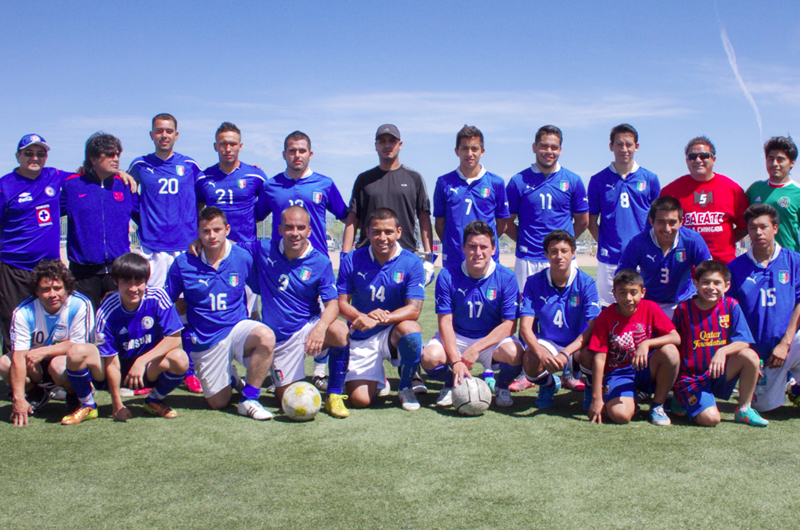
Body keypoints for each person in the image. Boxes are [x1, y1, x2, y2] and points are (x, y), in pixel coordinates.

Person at [255, 130, 348, 390]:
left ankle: (320, 371)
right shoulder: (271, 185)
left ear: (310, 154)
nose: (297, 155)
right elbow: (254, 217)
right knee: (283, 317)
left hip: (315, 266)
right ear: (284, 154)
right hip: (281, 264)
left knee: (323, 319)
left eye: (302, 150)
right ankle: (278, 365)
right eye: (292, 151)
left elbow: (346, 216)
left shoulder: (325, 183)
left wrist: (348, 251)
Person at [240, 205, 350, 417]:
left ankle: (334, 394)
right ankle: (269, 376)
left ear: (309, 231)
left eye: (301, 227)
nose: (295, 233)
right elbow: (229, 247)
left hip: (307, 327)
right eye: (289, 227)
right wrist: (199, 241)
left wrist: (320, 328)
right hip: (279, 340)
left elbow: (333, 304)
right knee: (286, 398)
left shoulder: (320, 261)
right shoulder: (262, 249)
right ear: (280, 229)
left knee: (339, 331)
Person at [165, 207, 275, 419]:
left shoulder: (242, 257)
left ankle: (249, 399)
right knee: (218, 402)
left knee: (266, 336)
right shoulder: (183, 263)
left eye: (217, 230)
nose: (212, 236)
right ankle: (232, 379)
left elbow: (261, 288)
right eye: (206, 231)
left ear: (227, 229)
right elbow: (166, 300)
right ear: (198, 232)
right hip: (207, 339)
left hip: (236, 329)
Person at [66, 253, 189, 422]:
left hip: (147, 368)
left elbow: (175, 338)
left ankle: (154, 400)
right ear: (116, 282)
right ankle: (88, 405)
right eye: (126, 282)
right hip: (115, 368)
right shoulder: (106, 310)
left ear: (146, 280)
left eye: (138, 281)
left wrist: (141, 362)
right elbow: (111, 361)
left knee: (180, 358)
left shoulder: (158, 297)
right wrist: (117, 405)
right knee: (76, 352)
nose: (133, 288)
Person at [420, 220, 523, 408]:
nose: (478, 252)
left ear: (493, 249)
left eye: (483, 246)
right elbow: (445, 322)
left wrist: (477, 348)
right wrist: (456, 360)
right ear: (463, 248)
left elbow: (509, 325)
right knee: (429, 357)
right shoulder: (447, 275)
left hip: (490, 339)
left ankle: (501, 386)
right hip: (458, 335)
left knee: (515, 353)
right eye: (472, 246)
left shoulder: (506, 277)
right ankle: (451, 383)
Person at [337, 208, 426, 411]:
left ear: (399, 232)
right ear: (367, 233)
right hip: (363, 333)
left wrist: (380, 319)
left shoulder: (411, 262)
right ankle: (378, 379)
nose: (382, 237)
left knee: (411, 330)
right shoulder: (351, 259)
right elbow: (341, 304)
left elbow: (414, 310)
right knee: (360, 401)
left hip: (392, 331)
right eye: (376, 231)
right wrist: (362, 317)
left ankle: (405, 387)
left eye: (388, 231)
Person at [671, 260, 768, 427]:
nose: (711, 287)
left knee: (750, 356)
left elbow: (744, 340)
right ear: (696, 284)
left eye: (717, 283)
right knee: (711, 419)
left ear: (727, 286)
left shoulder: (731, 305)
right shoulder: (683, 309)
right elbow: (674, 345)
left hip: (717, 372)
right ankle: (681, 398)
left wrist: (722, 352)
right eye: (706, 282)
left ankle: (744, 409)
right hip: (691, 378)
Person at [0, 260, 94, 426]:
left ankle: (75, 397)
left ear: (67, 287)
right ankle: (35, 394)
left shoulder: (80, 304)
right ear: (36, 291)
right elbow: (18, 357)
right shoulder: (23, 312)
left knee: (59, 365)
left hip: (65, 361)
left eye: (57, 288)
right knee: (4, 363)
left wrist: (43, 351)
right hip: (34, 364)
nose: (52, 294)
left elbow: (79, 346)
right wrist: (18, 398)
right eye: (45, 289)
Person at [728, 204, 800, 413]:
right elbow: (731, 313)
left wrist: (785, 343)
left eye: (763, 227)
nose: (757, 233)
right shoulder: (736, 267)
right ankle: (787, 386)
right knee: (764, 406)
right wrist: (747, 353)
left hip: (788, 344)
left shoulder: (794, 261)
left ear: (775, 228)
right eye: (752, 228)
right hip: (760, 355)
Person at [586, 269, 680, 426]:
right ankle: (633, 398)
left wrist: (647, 343)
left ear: (643, 292)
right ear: (614, 293)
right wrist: (597, 397)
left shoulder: (650, 308)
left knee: (670, 352)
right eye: (622, 292)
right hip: (619, 373)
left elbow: (675, 337)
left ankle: (657, 405)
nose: (628, 298)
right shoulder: (605, 317)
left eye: (633, 292)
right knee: (620, 416)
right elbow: (600, 358)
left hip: (645, 368)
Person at [342, 124, 434, 281]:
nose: (387, 145)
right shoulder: (364, 180)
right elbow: (353, 218)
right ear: (376, 146)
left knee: (407, 305)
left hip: (405, 255)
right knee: (363, 305)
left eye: (392, 141)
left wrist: (428, 255)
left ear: (400, 145)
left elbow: (424, 218)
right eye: (382, 141)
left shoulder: (413, 178)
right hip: (367, 255)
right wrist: (345, 254)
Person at [519, 230, 600, 406]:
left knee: (594, 354)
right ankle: (548, 384)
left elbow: (593, 326)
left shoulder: (585, 283)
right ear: (546, 254)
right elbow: (524, 327)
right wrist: (541, 353)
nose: (559, 256)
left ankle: (589, 386)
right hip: (549, 342)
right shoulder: (534, 282)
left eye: (564, 250)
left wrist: (566, 352)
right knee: (530, 359)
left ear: (573, 253)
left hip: (577, 344)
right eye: (554, 251)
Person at [506, 125, 589, 291]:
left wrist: (563, 244)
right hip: (528, 258)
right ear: (534, 147)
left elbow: (582, 221)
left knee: (568, 311)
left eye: (554, 147)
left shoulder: (573, 180)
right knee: (527, 313)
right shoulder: (518, 181)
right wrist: (527, 240)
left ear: (560, 150)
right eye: (544, 146)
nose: (549, 151)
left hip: (563, 258)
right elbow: (506, 223)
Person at [61, 132, 137, 311]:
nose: (116, 159)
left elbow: (145, 217)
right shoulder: (72, 185)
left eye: (118, 154)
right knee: (86, 327)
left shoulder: (125, 185)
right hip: (83, 273)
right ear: (93, 158)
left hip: (118, 271)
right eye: (110, 154)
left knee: (119, 326)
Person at [127, 113, 203, 288]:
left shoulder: (190, 164)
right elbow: (124, 189)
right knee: (154, 300)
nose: (164, 135)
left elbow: (206, 193)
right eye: (159, 131)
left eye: (169, 131)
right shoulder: (140, 165)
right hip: (153, 246)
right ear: (152, 134)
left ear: (176, 135)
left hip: (186, 244)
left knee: (184, 303)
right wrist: (121, 173)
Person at [587, 124, 660, 306]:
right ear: (611, 146)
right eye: (619, 144)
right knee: (608, 308)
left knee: (642, 309)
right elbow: (591, 220)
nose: (624, 149)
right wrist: (604, 241)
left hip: (643, 258)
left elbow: (658, 218)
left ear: (637, 146)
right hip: (610, 257)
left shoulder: (650, 179)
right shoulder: (598, 180)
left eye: (629, 144)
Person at [618, 196, 711, 318]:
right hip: (649, 304)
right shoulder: (638, 242)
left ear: (681, 222)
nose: (667, 228)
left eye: (672, 222)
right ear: (652, 221)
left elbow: (709, 273)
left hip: (683, 302)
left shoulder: (693, 240)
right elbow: (622, 276)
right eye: (661, 222)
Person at [660, 136, 749, 263]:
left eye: (704, 156)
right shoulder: (670, 192)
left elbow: (744, 226)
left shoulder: (733, 189)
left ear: (714, 159)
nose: (698, 160)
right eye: (692, 157)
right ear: (687, 161)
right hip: (684, 266)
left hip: (722, 266)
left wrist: (725, 242)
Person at [432, 125, 509, 268]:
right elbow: (439, 224)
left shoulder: (496, 182)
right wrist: (455, 244)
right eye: (464, 148)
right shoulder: (443, 182)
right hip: (454, 258)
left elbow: (502, 224)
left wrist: (483, 244)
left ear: (482, 151)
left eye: (474, 148)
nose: (469, 153)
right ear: (457, 151)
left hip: (485, 260)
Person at [196, 122, 268, 244]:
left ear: (240, 146)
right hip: (214, 247)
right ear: (215, 146)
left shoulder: (256, 176)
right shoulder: (204, 177)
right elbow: (197, 209)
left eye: (233, 144)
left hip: (246, 247)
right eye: (223, 144)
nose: (228, 149)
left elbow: (263, 211)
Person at [746, 136, 800, 252]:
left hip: (789, 261)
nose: (775, 164)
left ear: (792, 162)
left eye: (780, 159)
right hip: (758, 260)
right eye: (771, 159)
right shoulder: (755, 189)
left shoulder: (797, 192)